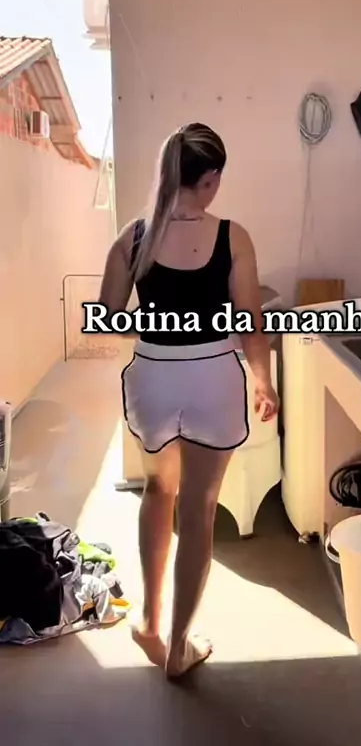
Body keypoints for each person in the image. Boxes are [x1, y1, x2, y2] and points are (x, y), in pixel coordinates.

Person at [99, 122, 279, 678]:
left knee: (159, 490)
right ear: (210, 178)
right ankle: (179, 647)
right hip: (212, 379)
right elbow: (250, 324)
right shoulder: (233, 236)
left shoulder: (132, 237)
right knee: (198, 509)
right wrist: (263, 380)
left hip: (152, 378)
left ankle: (148, 623)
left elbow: (106, 319)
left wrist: (158, 331)